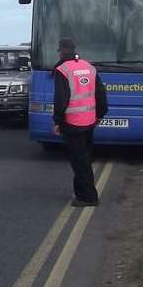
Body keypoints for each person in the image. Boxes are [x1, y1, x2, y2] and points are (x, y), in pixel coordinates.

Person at [52, 38, 108, 207]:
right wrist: (99, 114)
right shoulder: (89, 67)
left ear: (61, 51)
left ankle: (88, 197)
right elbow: (100, 93)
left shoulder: (63, 70)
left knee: (79, 161)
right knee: (85, 158)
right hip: (89, 121)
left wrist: (58, 122)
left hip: (73, 123)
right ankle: (81, 192)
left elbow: (61, 100)